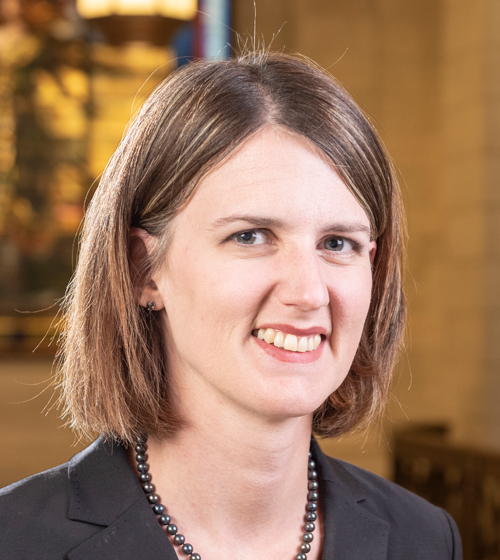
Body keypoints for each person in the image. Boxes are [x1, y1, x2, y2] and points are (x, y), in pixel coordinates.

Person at [0, 51, 461, 560]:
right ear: (142, 269)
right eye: (251, 236)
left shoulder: (425, 540)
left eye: (336, 244)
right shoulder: (15, 541)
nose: (308, 293)